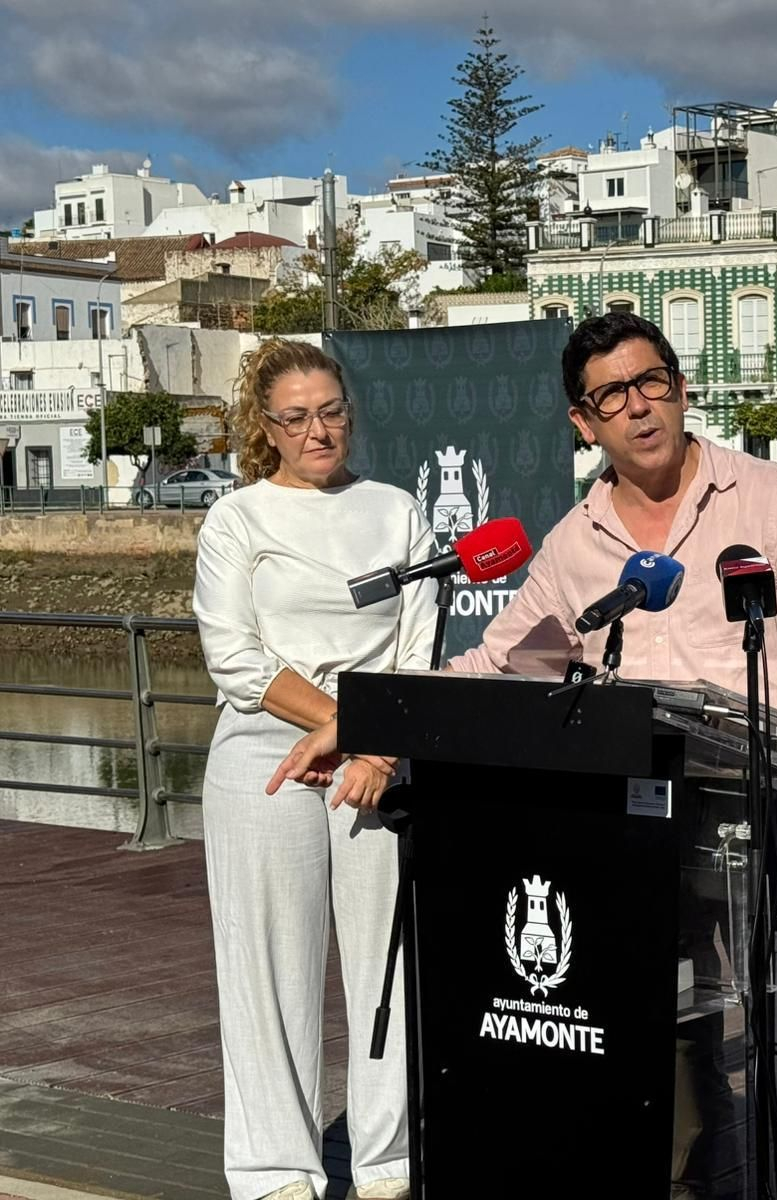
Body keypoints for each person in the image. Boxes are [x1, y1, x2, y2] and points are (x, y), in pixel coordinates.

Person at [274, 311, 777, 1199]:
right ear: (584, 424)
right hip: (638, 835)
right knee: (665, 1042)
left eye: (652, 381)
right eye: (611, 395)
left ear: (682, 389)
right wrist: (364, 724)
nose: (640, 408)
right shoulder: (577, 545)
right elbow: (494, 662)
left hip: (760, 811)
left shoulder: (764, 497)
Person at [193, 338, 430, 1200]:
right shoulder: (237, 518)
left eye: (330, 411)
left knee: (388, 969)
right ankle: (274, 1171)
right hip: (266, 753)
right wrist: (342, 723)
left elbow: (417, 645)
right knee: (268, 971)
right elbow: (236, 658)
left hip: (375, 760)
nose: (318, 430)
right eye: (296, 417)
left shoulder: (399, 511)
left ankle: (388, 1162)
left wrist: (373, 746)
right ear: (267, 427)